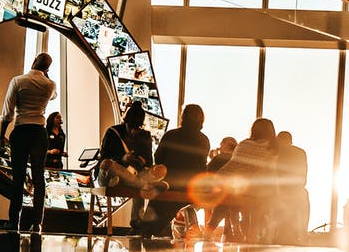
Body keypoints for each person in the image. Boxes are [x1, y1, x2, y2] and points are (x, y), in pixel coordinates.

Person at [0, 52, 57, 231]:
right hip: (40, 133)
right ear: (47, 69)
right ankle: (37, 223)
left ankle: (13, 221)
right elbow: (54, 96)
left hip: (22, 130)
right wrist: (46, 75)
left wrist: (2, 137)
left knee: (18, 177)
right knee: (39, 179)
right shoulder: (50, 85)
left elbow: (7, 112)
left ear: (33, 62)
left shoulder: (18, 81)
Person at [204, 118, 278, 243]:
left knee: (226, 198)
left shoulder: (244, 144)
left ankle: (210, 228)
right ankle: (245, 234)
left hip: (241, 188)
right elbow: (272, 173)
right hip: (260, 191)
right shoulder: (273, 149)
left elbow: (233, 166)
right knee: (232, 198)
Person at [143, 104, 210, 237]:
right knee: (171, 206)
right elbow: (202, 166)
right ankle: (154, 228)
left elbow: (158, 158)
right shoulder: (203, 140)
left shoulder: (171, 135)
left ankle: (146, 228)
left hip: (169, 181)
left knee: (158, 206)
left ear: (183, 117)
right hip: (190, 185)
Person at [97, 103, 168, 227]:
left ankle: (136, 221)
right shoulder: (113, 133)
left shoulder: (145, 136)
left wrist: (143, 161)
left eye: (138, 128)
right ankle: (149, 184)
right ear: (126, 122)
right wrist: (122, 159)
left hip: (134, 174)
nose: (134, 131)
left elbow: (149, 162)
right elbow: (103, 160)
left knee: (156, 170)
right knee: (109, 165)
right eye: (131, 127)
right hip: (113, 173)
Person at [275, 131, 309, 244]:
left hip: (277, 190)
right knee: (304, 196)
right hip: (297, 190)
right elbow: (303, 177)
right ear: (291, 141)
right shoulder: (301, 152)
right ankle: (303, 234)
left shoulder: (274, 151)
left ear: (278, 140)